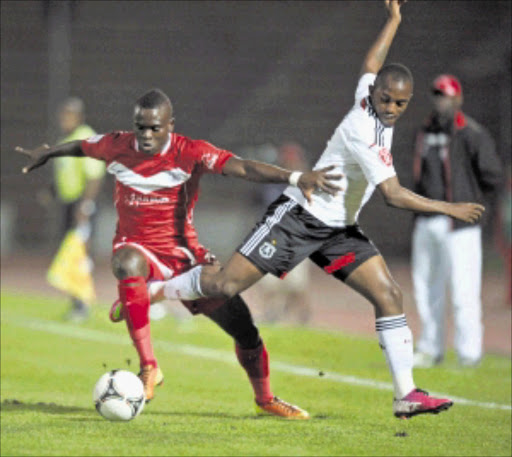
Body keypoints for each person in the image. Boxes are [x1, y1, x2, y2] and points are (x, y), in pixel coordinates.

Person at [145, 0, 486, 419]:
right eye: (385, 99)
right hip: (300, 217)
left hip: (339, 228)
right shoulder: (366, 130)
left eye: (399, 103)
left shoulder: (369, 93)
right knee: (224, 287)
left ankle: (406, 394)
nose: (391, 108)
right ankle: (154, 291)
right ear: (375, 95)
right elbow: (394, 195)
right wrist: (449, 208)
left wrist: (394, 19)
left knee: (389, 294)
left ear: (407, 100)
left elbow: (371, 61)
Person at [16, 89, 341, 419]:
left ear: (170, 125)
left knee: (244, 328)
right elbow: (82, 146)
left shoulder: (190, 151)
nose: (146, 134)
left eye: (154, 128)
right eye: (140, 126)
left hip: (184, 257)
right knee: (126, 263)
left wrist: (296, 177)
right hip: (138, 248)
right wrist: (49, 153)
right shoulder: (116, 144)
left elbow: (242, 168)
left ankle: (265, 399)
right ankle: (149, 366)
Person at [410, 75, 503, 368]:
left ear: (458, 99)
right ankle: (430, 348)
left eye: (446, 95)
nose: (441, 100)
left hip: (460, 226)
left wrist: (476, 207)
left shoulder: (471, 133)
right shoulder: (424, 131)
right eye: (437, 94)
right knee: (426, 288)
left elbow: (493, 175)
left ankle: (469, 352)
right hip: (427, 220)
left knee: (464, 291)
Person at [53, 97, 106, 322]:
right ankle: (77, 301)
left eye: (70, 115)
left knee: (80, 254)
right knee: (72, 252)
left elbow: (94, 176)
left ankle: (82, 304)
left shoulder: (85, 139)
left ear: (79, 117)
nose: (65, 119)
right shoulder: (67, 139)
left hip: (82, 205)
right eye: (63, 114)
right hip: (70, 204)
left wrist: (85, 205)